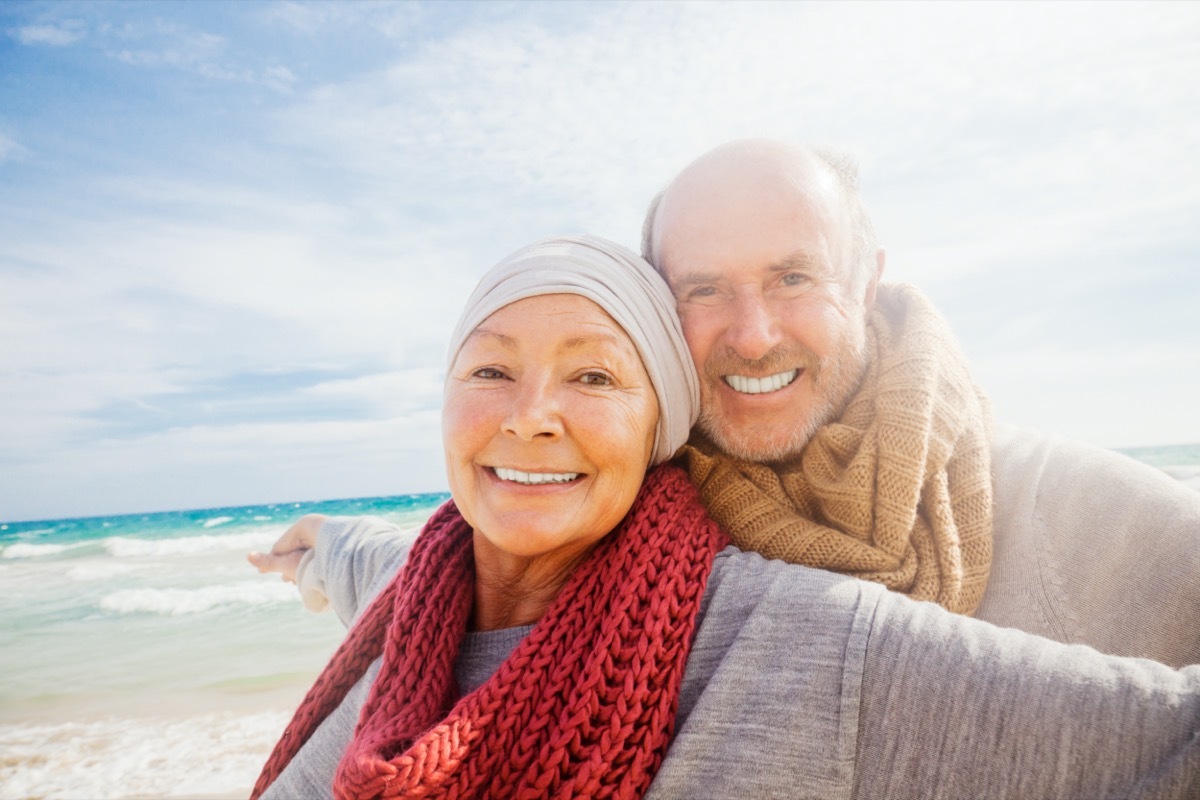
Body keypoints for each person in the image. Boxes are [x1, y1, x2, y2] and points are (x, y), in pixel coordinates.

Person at [250, 234, 1200, 800]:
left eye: (593, 376)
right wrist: (316, 544)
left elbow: (1161, 741)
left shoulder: (798, 644)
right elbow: (365, 557)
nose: (529, 412)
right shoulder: (414, 591)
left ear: (658, 424)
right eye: (490, 369)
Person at [639, 138, 1200, 667]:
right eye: (703, 290)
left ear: (864, 287)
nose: (753, 337)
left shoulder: (1115, 528)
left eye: (792, 278)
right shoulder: (610, 530)